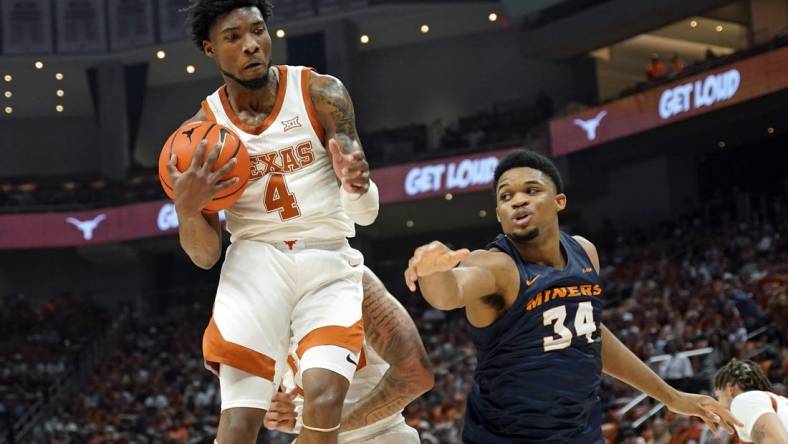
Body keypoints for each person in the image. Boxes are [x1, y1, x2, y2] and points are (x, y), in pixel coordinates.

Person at [403, 149, 740, 443]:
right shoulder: (496, 266)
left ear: (559, 201)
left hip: (581, 433)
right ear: (499, 214)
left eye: (531, 190)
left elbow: (589, 334)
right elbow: (450, 293)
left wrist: (671, 396)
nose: (517, 200)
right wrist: (434, 270)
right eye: (505, 197)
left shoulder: (584, 253)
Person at [166, 2, 380, 443]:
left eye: (258, 31)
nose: (251, 46)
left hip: (327, 255)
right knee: (240, 422)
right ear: (210, 48)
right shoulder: (200, 135)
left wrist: (356, 187)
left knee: (323, 396)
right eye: (233, 38)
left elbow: (365, 213)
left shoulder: (322, 93)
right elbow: (205, 257)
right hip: (255, 266)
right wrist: (187, 210)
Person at [263, 266, 434, 443]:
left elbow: (415, 376)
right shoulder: (257, 302)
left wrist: (322, 429)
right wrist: (277, 414)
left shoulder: (348, 275)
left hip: (379, 435)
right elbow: (281, 398)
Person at [714, 359, 788, 443]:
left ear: (730, 390)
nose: (718, 404)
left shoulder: (744, 401)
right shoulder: (776, 401)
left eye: (718, 397)